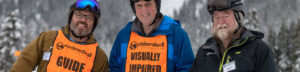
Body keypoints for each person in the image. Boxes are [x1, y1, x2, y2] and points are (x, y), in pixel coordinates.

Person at [10, 0, 109, 72]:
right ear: (70, 17)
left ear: (94, 24)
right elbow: (24, 64)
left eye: (89, 18)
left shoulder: (99, 57)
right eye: (79, 15)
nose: (83, 20)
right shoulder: (47, 39)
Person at [189, 0, 277, 72]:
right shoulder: (204, 52)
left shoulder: (259, 50)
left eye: (225, 16)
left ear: (238, 17)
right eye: (217, 17)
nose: (221, 22)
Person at [109, 0, 195, 72]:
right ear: (134, 8)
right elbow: (114, 67)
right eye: (139, 6)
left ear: (157, 5)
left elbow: (187, 68)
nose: (144, 11)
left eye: (148, 4)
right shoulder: (124, 35)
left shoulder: (176, 35)